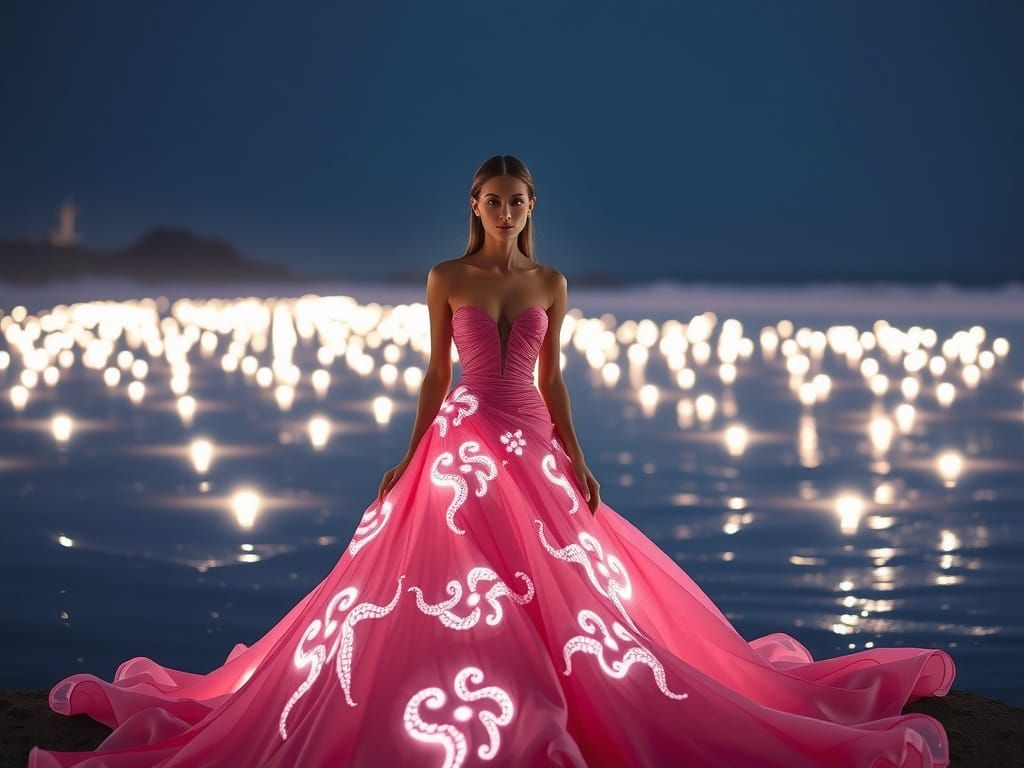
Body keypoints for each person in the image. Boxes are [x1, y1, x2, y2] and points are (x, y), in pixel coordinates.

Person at [29, 155, 955, 767]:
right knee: (443, 577)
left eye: (517, 201)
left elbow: (556, 383)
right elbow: (434, 378)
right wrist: (405, 455)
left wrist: (579, 458)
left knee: (570, 592)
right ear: (473, 205)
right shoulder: (449, 278)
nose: (504, 211)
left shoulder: (549, 283)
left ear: (530, 208)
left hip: (534, 442)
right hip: (461, 439)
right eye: (491, 199)